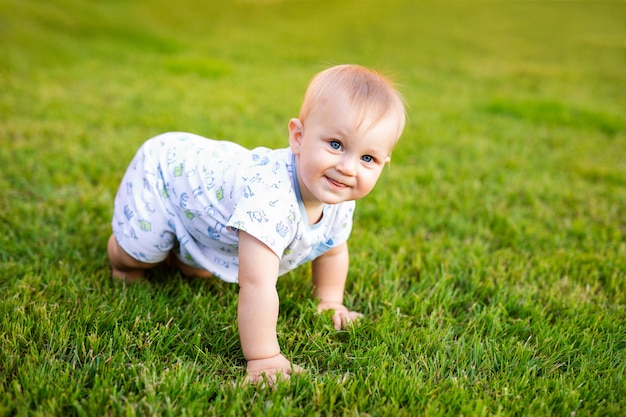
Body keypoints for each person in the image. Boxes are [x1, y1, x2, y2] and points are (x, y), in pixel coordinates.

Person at [107, 64, 406, 384]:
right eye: (335, 144)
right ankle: (121, 259)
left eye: (367, 159)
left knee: (196, 270)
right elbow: (257, 284)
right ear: (299, 137)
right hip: (167, 171)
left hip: (206, 196)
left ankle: (183, 253)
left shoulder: (338, 192)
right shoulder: (270, 199)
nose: (348, 168)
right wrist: (264, 357)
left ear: (383, 163)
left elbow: (331, 249)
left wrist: (330, 301)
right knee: (140, 253)